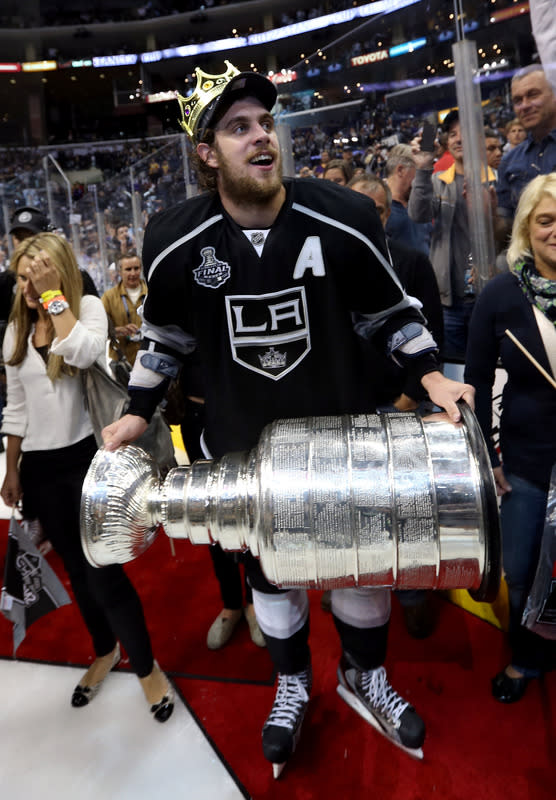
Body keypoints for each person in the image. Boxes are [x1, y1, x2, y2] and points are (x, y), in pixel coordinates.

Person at [101, 62, 474, 775]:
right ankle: (293, 681)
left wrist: (431, 376)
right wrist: (134, 412)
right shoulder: (176, 240)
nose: (260, 136)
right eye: (239, 127)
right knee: (269, 577)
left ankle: (363, 675)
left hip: (342, 444)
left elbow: (392, 313)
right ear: (206, 152)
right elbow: (167, 340)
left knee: (361, 568)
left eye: (265, 123)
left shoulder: (342, 216)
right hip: (244, 453)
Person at [0, 232, 174, 722]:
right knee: (77, 575)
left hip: (84, 462)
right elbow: (16, 407)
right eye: (22, 277)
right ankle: (104, 650)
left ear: (55, 271)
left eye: (34, 274)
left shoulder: (88, 308)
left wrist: (55, 298)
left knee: (104, 573)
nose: (27, 285)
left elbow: (80, 352)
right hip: (39, 469)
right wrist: (12, 468)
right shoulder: (15, 330)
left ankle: (146, 668)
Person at [465, 172, 556, 703]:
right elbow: (475, 383)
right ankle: (527, 657)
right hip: (522, 464)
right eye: (545, 220)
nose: (554, 231)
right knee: (519, 571)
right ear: (527, 226)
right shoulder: (500, 295)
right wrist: (487, 457)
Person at [347, 172, 443, 638]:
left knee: (409, 514)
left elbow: (432, 339)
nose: (368, 220)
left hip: (402, 409)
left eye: (377, 211)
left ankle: (412, 596)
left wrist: (410, 397)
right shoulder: (325, 268)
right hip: (349, 413)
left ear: (389, 214)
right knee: (353, 512)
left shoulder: (412, 261)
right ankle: (355, 586)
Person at [408, 109, 496, 361]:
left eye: (464, 133)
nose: (458, 139)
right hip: (450, 300)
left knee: (491, 364)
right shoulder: (437, 181)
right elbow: (418, 214)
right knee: (456, 366)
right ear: (446, 142)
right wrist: (423, 169)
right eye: (452, 134)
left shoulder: (495, 179)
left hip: (488, 294)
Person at [496, 66, 556, 238]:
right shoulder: (509, 161)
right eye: (517, 100)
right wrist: (488, 213)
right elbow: (506, 230)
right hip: (530, 260)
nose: (525, 106)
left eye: (533, 95)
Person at [101, 250, 147, 366]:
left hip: (148, 358)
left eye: (136, 268)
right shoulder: (109, 297)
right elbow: (99, 328)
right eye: (128, 269)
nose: (133, 273)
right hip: (122, 362)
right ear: (120, 272)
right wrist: (118, 330)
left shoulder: (151, 293)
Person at [384, 145, 431, 256]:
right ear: (400, 170)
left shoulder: (420, 204)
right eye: (419, 172)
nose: (422, 179)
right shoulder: (380, 206)